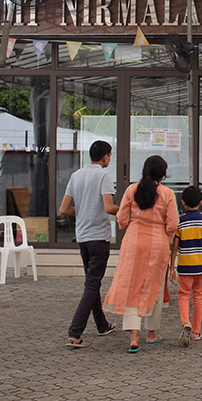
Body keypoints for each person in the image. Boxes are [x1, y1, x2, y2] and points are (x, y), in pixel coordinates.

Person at [104, 156, 179, 353]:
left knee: (131, 285)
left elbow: (121, 219)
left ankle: (133, 337)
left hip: (133, 242)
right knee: (153, 286)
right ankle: (151, 333)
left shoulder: (131, 190)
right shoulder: (167, 193)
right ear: (163, 174)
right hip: (157, 245)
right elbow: (173, 225)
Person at [61, 140, 120, 349]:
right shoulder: (104, 175)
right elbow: (108, 206)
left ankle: (102, 325)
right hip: (99, 237)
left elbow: (64, 209)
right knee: (92, 284)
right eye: (110, 156)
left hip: (83, 238)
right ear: (105, 156)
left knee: (92, 283)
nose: (109, 159)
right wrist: (126, 211)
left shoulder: (76, 175)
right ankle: (75, 332)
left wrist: (83, 210)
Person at [169, 186, 202, 347]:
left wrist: (172, 266)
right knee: (198, 296)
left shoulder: (180, 222)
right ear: (201, 201)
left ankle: (186, 322)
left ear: (183, 203)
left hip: (185, 266)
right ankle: (196, 332)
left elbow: (175, 246)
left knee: (183, 294)